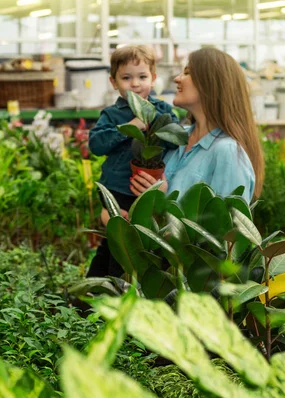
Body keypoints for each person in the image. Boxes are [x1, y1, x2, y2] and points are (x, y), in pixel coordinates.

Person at [87, 45, 179, 278]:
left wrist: (155, 130)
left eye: (142, 77)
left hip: (149, 186)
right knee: (121, 244)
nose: (135, 84)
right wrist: (131, 127)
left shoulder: (163, 111)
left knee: (133, 244)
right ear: (113, 82)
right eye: (126, 77)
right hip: (117, 189)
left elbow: (177, 139)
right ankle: (109, 294)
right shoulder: (112, 114)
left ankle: (93, 297)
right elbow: (96, 145)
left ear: (154, 78)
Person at [129, 47, 264, 203]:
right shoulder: (176, 137)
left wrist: (161, 199)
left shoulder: (227, 151)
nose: (177, 79)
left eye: (187, 73)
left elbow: (224, 225)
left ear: (210, 83)